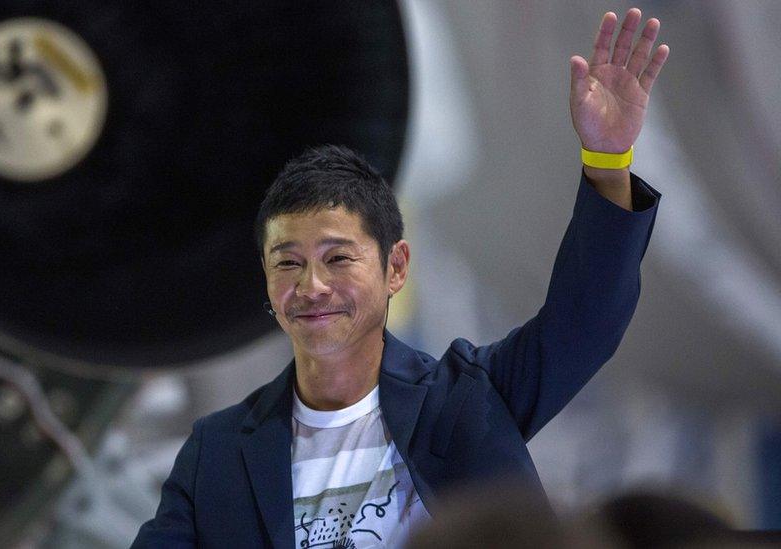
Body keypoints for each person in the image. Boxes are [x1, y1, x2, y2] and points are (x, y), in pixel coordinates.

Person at [132, 7, 669, 548]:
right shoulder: (217, 453)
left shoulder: (468, 404)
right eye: (288, 262)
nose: (312, 286)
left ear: (395, 267)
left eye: (338, 259)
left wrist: (607, 158)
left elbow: (587, 320)